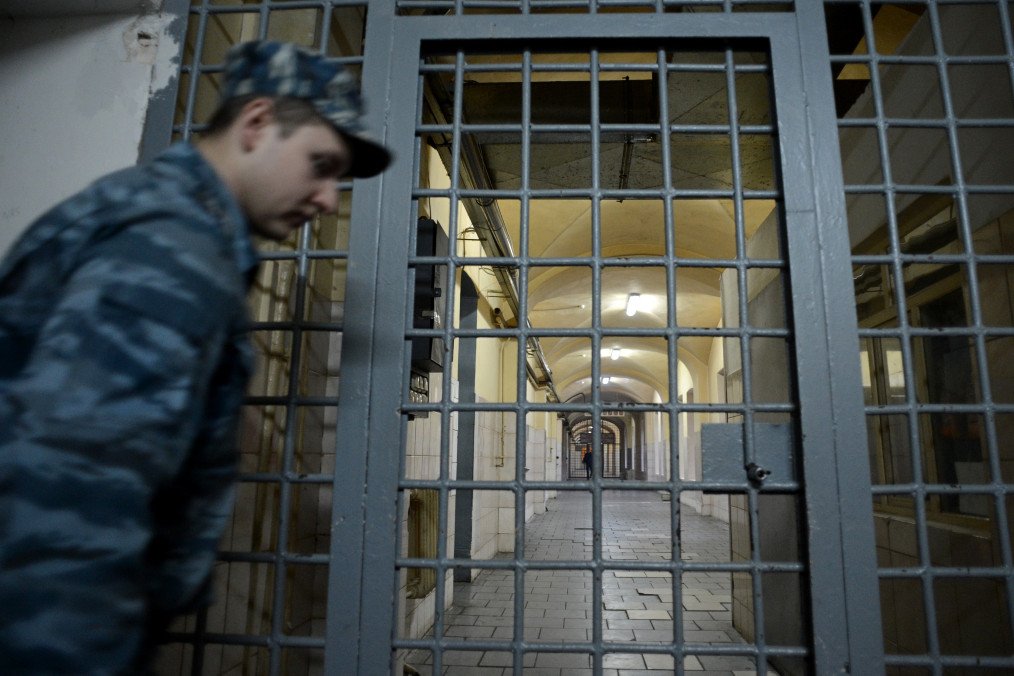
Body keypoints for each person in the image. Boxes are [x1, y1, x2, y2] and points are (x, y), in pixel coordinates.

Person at [0, 41, 391, 673]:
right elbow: (74, 491)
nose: (326, 199)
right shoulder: (170, 248)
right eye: (320, 165)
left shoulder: (164, 219)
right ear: (257, 123)